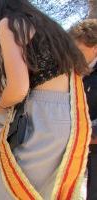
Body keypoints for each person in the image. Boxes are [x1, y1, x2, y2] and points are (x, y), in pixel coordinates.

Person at [0, 0, 90, 199]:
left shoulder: (9, 23)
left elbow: (18, 88)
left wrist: (0, 106)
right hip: (67, 113)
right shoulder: (43, 23)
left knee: (14, 190)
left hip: (43, 115)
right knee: (47, 190)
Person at [69, 19, 97, 200]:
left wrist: (86, 133)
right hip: (78, 145)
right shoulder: (78, 70)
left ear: (95, 47)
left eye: (79, 50)